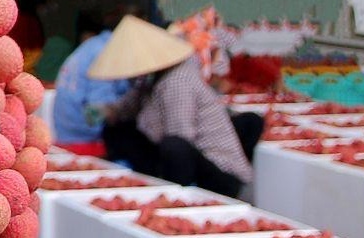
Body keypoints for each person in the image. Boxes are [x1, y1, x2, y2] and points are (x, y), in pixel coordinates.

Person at [91, 16, 263, 199]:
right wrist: (108, 112)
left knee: (173, 147)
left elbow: (181, 137)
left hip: (217, 169)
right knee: (118, 130)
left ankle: (178, 199)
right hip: (186, 153)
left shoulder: (177, 80)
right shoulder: (152, 78)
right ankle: (151, 179)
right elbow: (128, 106)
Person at [49, 12, 127, 153]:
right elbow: (96, 112)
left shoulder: (93, 45)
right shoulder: (106, 53)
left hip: (64, 133)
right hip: (84, 140)